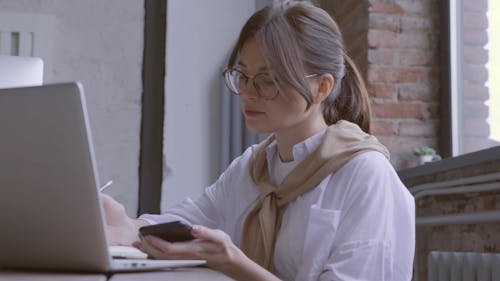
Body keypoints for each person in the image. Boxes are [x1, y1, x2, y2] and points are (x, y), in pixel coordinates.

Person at [101, 1, 415, 280]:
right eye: (243, 76)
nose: (249, 93)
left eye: (268, 80)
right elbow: (186, 223)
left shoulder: (366, 175)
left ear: (322, 88)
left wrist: (235, 263)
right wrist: (126, 225)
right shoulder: (254, 168)